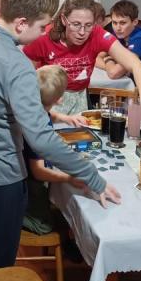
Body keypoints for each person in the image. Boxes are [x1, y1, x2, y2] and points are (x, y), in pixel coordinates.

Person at [0, 0, 121, 279]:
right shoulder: (18, 64)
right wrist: (94, 178)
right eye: (41, 26)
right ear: (21, 23)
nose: (43, 34)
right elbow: (42, 139)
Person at [23, 0, 141, 134]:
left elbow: (138, 66)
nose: (82, 32)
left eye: (88, 25)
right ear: (64, 20)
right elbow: (26, 79)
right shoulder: (43, 37)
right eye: (76, 24)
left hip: (80, 98)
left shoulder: (97, 34)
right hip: (49, 102)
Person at [23, 65, 87, 234]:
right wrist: (68, 178)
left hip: (25, 177)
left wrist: (65, 118)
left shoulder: (32, 108)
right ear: (59, 99)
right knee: (47, 225)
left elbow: (48, 113)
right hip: (30, 187)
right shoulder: (39, 127)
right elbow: (38, 171)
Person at [98, 0, 141, 97]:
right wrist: (110, 65)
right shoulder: (121, 34)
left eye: (123, 23)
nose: (118, 28)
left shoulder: (140, 40)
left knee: (104, 99)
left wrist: (108, 59)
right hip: (132, 85)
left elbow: (113, 73)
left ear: (135, 22)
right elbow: (96, 58)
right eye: (114, 23)